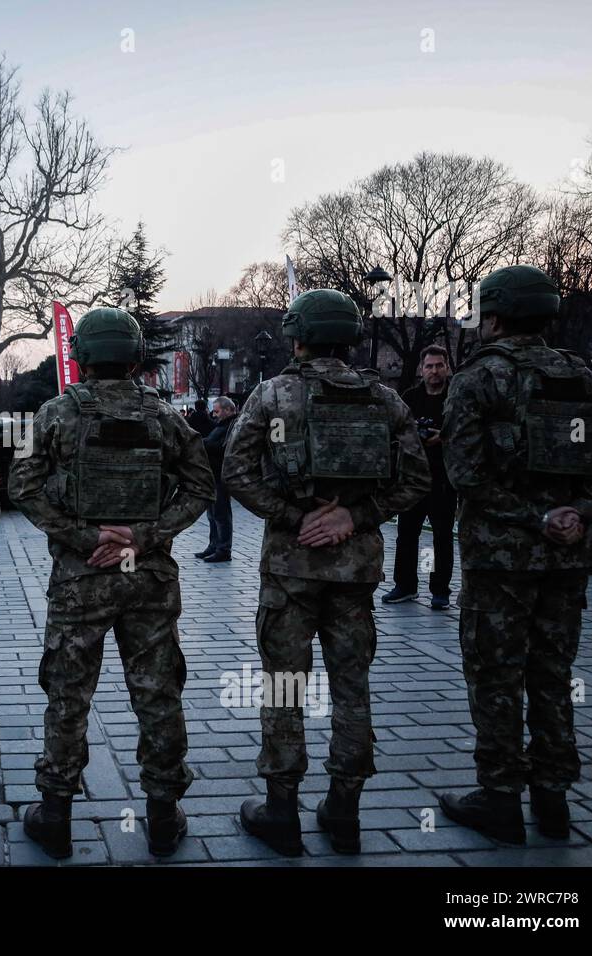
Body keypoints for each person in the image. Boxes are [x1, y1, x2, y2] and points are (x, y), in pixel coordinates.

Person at [222, 289, 430, 856]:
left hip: (290, 569)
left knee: (286, 685)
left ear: (298, 336)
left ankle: (281, 810)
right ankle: (345, 811)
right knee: (352, 689)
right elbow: (415, 480)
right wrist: (352, 516)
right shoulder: (384, 399)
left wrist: (297, 516)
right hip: (356, 570)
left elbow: (236, 471)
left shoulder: (274, 394)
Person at [8, 307, 213, 859]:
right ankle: (164, 815)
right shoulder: (166, 416)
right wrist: (144, 537)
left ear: (83, 356)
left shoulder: (55, 413)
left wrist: (82, 535)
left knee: (68, 695)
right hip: (147, 578)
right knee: (158, 692)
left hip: (82, 579)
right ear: (133, 355)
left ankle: (55, 815)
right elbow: (201, 487)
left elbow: (22, 487)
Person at [438, 265, 592, 844]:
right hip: (566, 561)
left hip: (501, 562)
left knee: (495, 677)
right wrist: (580, 515)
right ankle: (553, 798)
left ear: (492, 314)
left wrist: (532, 518)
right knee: (552, 675)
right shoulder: (582, 378)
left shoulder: (479, 378)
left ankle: (499, 797)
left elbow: (464, 473)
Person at [384, 345, 456, 609]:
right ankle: (405, 586)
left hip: (444, 479)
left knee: (442, 536)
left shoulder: (455, 398)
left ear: (447, 368)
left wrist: (444, 437)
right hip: (412, 477)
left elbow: (467, 433)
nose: (434, 371)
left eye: (439, 366)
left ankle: (440, 590)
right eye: (429, 366)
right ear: (421, 369)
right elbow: (396, 430)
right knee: (406, 534)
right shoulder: (410, 398)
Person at [196, 396, 238, 563]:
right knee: (213, 513)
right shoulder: (222, 426)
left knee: (221, 513)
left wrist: (202, 443)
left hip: (221, 475)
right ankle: (214, 545)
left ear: (228, 410)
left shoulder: (232, 426)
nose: (214, 414)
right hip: (213, 474)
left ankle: (223, 549)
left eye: (217, 411)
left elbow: (224, 448)